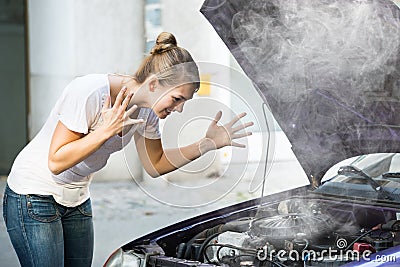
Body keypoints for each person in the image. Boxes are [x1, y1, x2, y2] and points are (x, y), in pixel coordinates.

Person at [2, 32, 253, 267]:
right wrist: (104, 131)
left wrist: (206, 145)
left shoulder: (148, 113)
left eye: (184, 102)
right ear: (154, 84)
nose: (179, 109)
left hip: (76, 198)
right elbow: (56, 161)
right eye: (177, 99)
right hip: (34, 195)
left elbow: (156, 165)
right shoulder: (90, 92)